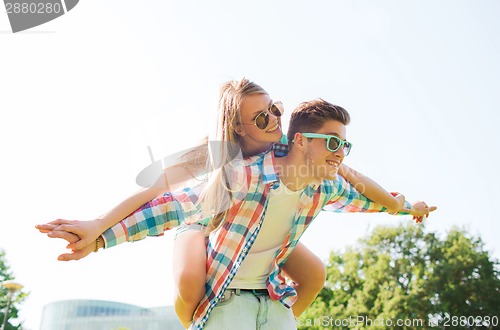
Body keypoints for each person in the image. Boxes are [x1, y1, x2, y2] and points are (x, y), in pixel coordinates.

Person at [38, 95, 435, 329]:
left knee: (313, 273)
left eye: (344, 146)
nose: (340, 153)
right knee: (190, 280)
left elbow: (370, 198)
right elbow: (165, 205)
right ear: (301, 140)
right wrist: (101, 236)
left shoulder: (325, 186)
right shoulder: (238, 174)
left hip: (271, 294)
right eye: (332, 142)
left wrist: (407, 209)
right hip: (213, 260)